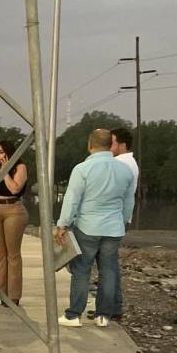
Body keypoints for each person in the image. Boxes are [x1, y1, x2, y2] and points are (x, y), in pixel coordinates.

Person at [56, 128, 135, 328]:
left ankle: (74, 315)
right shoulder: (125, 170)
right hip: (114, 228)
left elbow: (72, 199)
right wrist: (122, 221)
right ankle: (103, 315)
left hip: (87, 227)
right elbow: (128, 202)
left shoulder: (82, 169)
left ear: (89, 145)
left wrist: (62, 224)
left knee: (81, 270)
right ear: (111, 145)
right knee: (108, 271)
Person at [0, 140, 29, 306]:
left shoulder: (20, 167)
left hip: (13, 209)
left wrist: (5, 171)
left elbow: (14, 188)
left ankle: (13, 296)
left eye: (1, 152)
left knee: (13, 254)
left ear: (9, 152)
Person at [109, 127, 137, 320]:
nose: (109, 147)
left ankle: (112, 307)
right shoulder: (130, 162)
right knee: (109, 264)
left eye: (112, 142)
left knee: (108, 265)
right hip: (118, 217)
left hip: (113, 218)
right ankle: (113, 306)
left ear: (122, 144)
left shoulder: (120, 163)